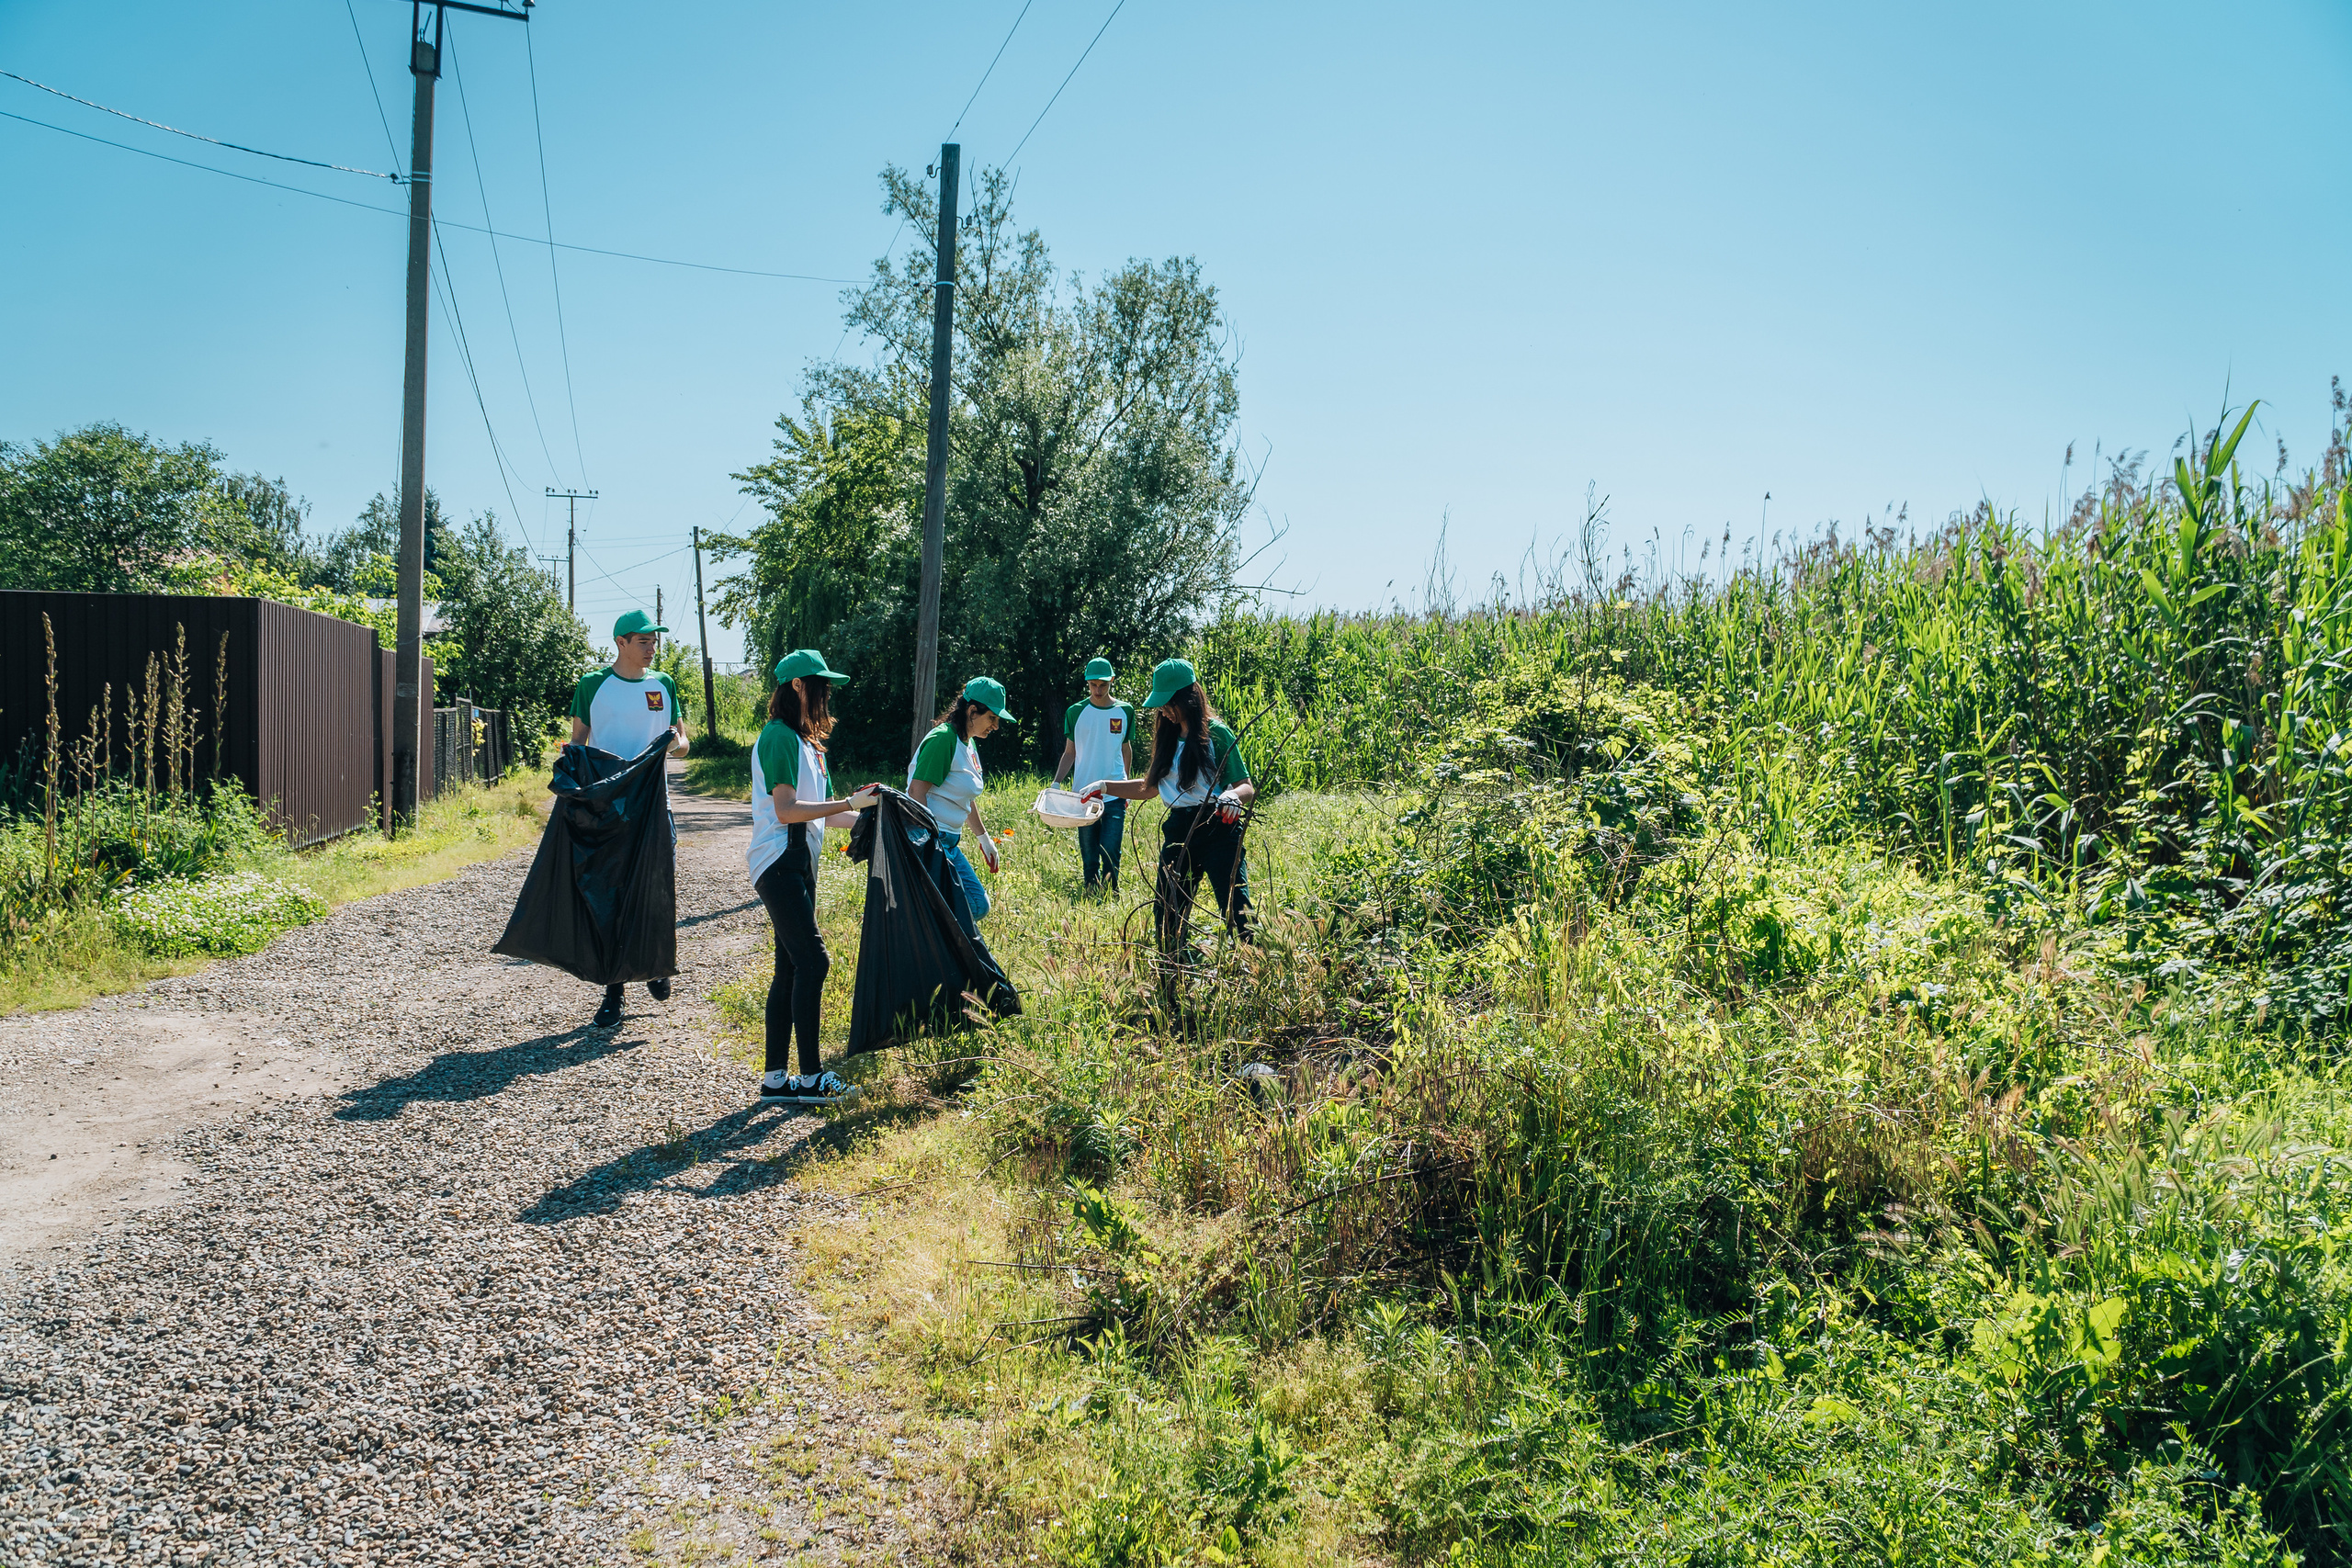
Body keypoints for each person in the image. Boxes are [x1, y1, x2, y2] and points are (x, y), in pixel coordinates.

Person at [749, 649, 881, 1105]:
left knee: (789, 967)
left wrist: (872, 815)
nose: (828, 693)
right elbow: (787, 810)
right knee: (814, 962)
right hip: (778, 862)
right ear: (798, 687)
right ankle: (810, 1080)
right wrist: (848, 803)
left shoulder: (809, 744)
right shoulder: (779, 737)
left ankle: (774, 1081)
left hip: (800, 863)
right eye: (821, 685)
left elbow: (826, 817)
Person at [1081, 658, 1256, 960]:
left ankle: (1251, 972)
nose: (1162, 710)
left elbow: (1246, 786)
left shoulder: (1216, 733)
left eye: (1167, 703)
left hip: (1218, 827)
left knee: (1237, 913)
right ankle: (1177, 975)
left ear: (1187, 699)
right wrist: (1105, 786)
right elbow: (1150, 788)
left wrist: (1233, 797)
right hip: (1178, 831)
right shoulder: (1168, 735)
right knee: (1168, 916)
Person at [568, 608, 691, 1029]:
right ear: (620, 642)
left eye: (654, 641)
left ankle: (655, 965)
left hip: (656, 804)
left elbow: (683, 740)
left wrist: (672, 746)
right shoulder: (593, 685)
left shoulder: (664, 684)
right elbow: (578, 745)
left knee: (656, 891)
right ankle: (613, 992)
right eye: (643, 641)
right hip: (611, 808)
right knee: (612, 897)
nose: (651, 648)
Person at [907, 677, 1013, 921]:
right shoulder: (943, 739)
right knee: (960, 911)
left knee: (977, 906)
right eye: (992, 718)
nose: (996, 726)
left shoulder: (968, 743)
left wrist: (985, 839)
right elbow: (916, 792)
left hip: (950, 844)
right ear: (972, 711)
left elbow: (964, 797)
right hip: (932, 841)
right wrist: (929, 842)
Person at [1051, 657, 1136, 895]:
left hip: (1115, 794)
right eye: (1093, 685)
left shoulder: (1125, 711)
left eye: (1103, 685)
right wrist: (1057, 782)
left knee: (1111, 848)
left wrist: (1127, 784)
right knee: (1089, 853)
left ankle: (1111, 893)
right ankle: (1091, 889)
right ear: (1087, 683)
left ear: (1112, 682)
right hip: (1084, 795)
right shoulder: (1075, 712)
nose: (1098, 690)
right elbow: (1070, 753)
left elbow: (1125, 747)